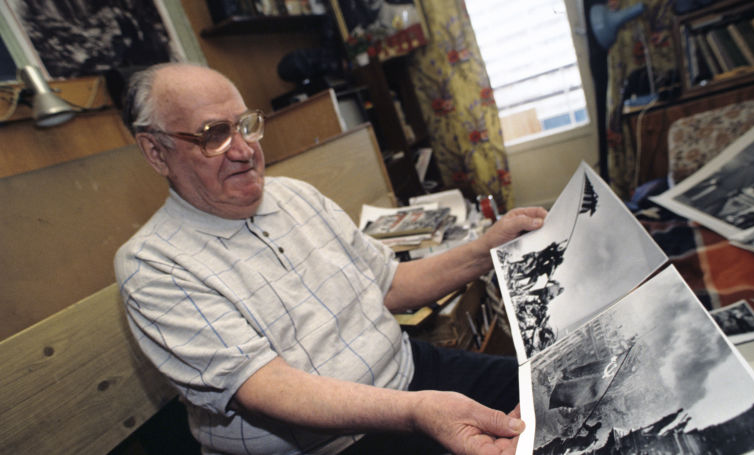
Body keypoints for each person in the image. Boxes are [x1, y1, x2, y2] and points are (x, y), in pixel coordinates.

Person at [114, 62, 548, 455]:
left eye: (246, 125)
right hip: (327, 445)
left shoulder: (296, 195)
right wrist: (417, 412)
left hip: (412, 374)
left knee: (556, 391)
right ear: (156, 152)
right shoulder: (153, 264)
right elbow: (269, 389)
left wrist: (489, 247)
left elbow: (390, 284)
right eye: (214, 135)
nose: (244, 150)